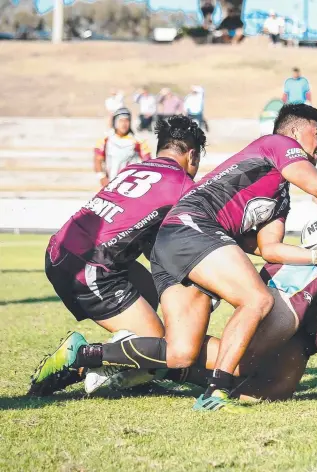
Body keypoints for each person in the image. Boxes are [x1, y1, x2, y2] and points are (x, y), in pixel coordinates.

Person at [28, 104, 317, 410]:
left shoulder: (136, 170)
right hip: (110, 260)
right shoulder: (276, 146)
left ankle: (88, 356)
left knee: (178, 350)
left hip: (90, 251)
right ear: (297, 131)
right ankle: (212, 387)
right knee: (255, 300)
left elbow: (267, 248)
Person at [30, 186, 317, 404]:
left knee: (270, 389)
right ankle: (89, 354)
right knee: (233, 364)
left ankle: (164, 365)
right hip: (308, 281)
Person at [29, 116, 207, 396]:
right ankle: (81, 360)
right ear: (192, 154)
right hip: (90, 267)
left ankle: (108, 358)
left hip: (60, 250)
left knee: (151, 292)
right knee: (160, 347)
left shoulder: (132, 168)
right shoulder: (183, 184)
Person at [94, 108, 151, 186]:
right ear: (115, 122)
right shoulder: (105, 139)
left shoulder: (139, 141)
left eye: (127, 120)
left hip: (129, 186)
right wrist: (101, 177)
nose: (124, 124)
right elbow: (98, 159)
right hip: (109, 184)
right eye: (121, 120)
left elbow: (148, 162)